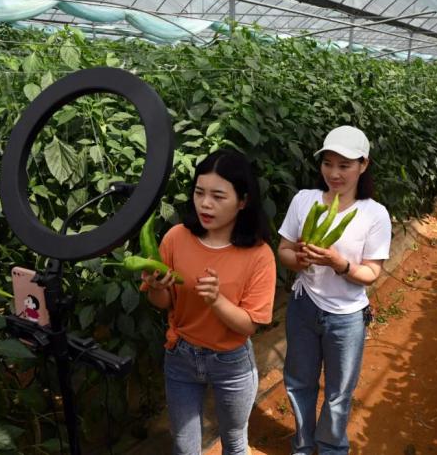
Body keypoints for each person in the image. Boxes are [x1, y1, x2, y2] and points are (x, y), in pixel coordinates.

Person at [141, 149, 276, 455]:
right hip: (181, 356)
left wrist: (217, 300)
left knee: (234, 441)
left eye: (218, 196)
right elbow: (162, 301)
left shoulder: (259, 255)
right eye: (199, 192)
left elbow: (249, 325)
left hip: (231, 362)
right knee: (184, 446)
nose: (205, 203)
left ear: (242, 201)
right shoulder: (176, 238)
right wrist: (156, 288)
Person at [277, 125, 392, 455]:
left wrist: (339, 264)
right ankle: (303, 445)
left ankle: (330, 448)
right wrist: (298, 260)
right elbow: (283, 250)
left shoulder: (374, 214)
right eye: (328, 163)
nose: (334, 173)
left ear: (363, 165)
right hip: (304, 307)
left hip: (346, 317)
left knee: (339, 391)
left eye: (345, 165)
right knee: (299, 381)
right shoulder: (305, 201)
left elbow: (371, 272)